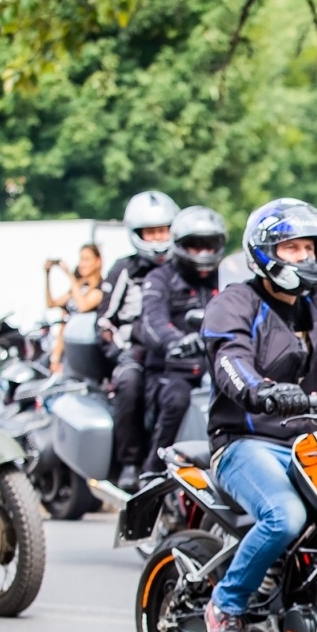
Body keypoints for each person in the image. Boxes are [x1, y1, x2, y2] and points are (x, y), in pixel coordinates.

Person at [200, 199, 317, 632]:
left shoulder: (315, 304)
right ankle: (226, 605)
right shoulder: (235, 302)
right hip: (245, 440)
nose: (303, 257)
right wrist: (262, 390)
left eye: (309, 249)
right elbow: (230, 362)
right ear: (264, 253)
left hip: (308, 439)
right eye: (291, 248)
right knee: (285, 517)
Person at [138, 205, 226, 473]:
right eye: (195, 245)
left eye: (209, 245)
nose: (203, 252)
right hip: (173, 368)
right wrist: (177, 341)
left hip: (219, 366)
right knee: (175, 401)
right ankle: (152, 472)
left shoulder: (226, 278)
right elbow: (152, 320)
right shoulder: (160, 278)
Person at [100, 190, 178, 487]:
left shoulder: (181, 271)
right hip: (133, 353)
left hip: (174, 352)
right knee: (131, 383)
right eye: (151, 232)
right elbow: (104, 321)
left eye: (163, 231)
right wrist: (123, 351)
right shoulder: (124, 269)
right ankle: (131, 463)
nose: (158, 239)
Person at [45, 244, 108, 374]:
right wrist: (47, 274)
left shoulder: (102, 288)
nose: (82, 264)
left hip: (85, 351)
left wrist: (70, 275)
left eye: (86, 259)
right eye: (81, 259)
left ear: (98, 261)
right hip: (67, 346)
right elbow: (51, 304)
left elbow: (83, 306)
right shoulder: (78, 286)